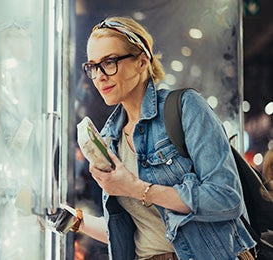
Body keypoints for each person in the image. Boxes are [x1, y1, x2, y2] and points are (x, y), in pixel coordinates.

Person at [65, 16, 257, 260]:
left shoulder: (185, 107)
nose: (100, 76)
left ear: (142, 62)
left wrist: (137, 189)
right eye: (92, 66)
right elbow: (138, 232)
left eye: (110, 62)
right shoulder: (110, 138)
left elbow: (225, 198)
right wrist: (74, 220)